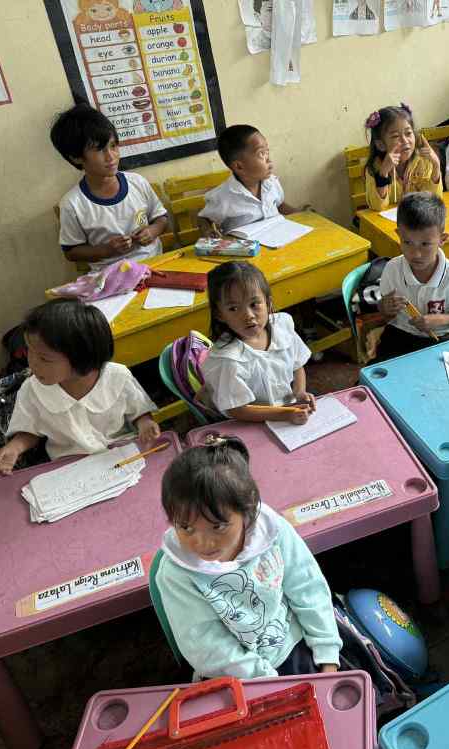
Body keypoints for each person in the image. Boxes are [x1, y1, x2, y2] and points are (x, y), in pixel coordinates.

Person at [155, 437, 342, 678]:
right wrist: (268, 682)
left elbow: (307, 586)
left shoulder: (272, 531)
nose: (202, 543)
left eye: (218, 526)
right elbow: (207, 647)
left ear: (247, 509)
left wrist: (327, 652)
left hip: (293, 642)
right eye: (186, 528)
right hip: (236, 672)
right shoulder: (176, 574)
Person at [0, 298, 160, 474]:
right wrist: (14, 448)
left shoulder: (118, 376)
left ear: (81, 358)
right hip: (71, 469)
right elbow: (30, 430)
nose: (31, 362)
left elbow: (139, 411)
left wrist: (145, 424)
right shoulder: (31, 389)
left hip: (123, 457)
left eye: (44, 358)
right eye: (29, 351)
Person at [50, 103, 168, 271]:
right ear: (76, 157)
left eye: (113, 146)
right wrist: (107, 250)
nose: (111, 156)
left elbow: (161, 219)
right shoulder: (72, 204)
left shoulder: (137, 182)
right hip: (110, 276)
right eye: (99, 150)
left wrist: (152, 231)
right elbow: (71, 252)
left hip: (155, 265)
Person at [200, 261, 315, 423]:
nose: (248, 315)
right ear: (220, 314)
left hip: (286, 411)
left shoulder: (281, 328)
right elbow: (237, 410)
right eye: (233, 308)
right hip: (249, 422)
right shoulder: (227, 360)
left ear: (268, 303)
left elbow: (297, 366)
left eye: (254, 304)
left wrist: (299, 392)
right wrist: (285, 414)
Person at [376, 192, 449, 359]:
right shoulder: (392, 269)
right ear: (398, 235)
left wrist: (438, 320)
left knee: (447, 368)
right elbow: (384, 311)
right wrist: (385, 308)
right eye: (407, 242)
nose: (416, 254)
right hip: (402, 331)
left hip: (443, 334)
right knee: (380, 368)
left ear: (442, 239)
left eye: (425, 244)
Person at [198, 124, 308, 236]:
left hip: (277, 239)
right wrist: (207, 230)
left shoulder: (272, 182)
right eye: (261, 153)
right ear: (239, 166)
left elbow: (279, 205)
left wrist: (299, 213)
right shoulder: (223, 197)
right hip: (246, 245)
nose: (269, 159)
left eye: (267, 152)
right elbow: (204, 218)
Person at [363, 104, 442, 212]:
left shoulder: (423, 161)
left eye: (408, 133)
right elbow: (378, 207)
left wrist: (436, 165)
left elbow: (433, 200)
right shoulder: (375, 167)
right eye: (396, 136)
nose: (405, 141)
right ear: (381, 145)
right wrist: (383, 173)